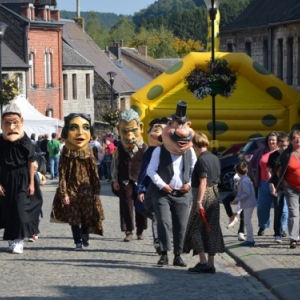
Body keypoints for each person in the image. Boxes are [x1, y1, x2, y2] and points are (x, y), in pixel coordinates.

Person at [147, 101, 197, 267]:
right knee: (164, 223)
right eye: (177, 125)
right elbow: (151, 171)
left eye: (183, 125)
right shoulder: (159, 150)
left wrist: (189, 184)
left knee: (181, 225)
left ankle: (178, 255)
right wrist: (162, 185)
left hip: (183, 193)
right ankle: (163, 253)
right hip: (163, 193)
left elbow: (194, 169)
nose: (181, 130)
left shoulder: (190, 151)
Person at [50, 113, 105, 250]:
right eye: (73, 128)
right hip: (71, 190)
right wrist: (64, 193)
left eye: (85, 127)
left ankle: (85, 236)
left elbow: (94, 173)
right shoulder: (66, 152)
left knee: (86, 216)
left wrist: (96, 191)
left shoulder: (88, 151)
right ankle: (77, 241)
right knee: (74, 218)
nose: (80, 132)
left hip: (86, 190)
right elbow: (62, 173)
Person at [0, 103, 43, 254]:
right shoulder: (1, 141)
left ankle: (19, 240)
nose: (11, 127)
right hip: (5, 177)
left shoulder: (25, 142)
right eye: (7, 123)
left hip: (23, 177)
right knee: (8, 210)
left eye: (14, 123)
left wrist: (32, 182)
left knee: (20, 209)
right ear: (2, 123)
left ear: (21, 122)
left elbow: (30, 162)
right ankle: (12, 240)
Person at [184, 132, 224, 274]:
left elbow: (203, 181)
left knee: (195, 230)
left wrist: (199, 201)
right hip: (214, 194)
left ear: (195, 145)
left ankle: (203, 261)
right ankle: (211, 264)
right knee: (211, 229)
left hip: (204, 195)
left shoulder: (201, 160)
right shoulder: (214, 158)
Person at [111, 109, 148, 242]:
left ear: (141, 127)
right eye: (124, 131)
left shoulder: (145, 148)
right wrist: (115, 179)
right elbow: (115, 164)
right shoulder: (120, 148)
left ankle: (140, 229)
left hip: (140, 181)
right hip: (125, 180)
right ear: (119, 130)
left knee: (141, 206)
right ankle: (128, 230)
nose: (129, 135)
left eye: (133, 130)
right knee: (126, 205)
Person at [136, 117, 170, 254]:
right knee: (156, 216)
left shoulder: (171, 150)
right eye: (155, 129)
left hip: (169, 188)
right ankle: (159, 243)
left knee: (162, 217)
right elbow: (144, 171)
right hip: (152, 188)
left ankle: (163, 241)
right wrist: (141, 189)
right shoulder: (151, 151)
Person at [249, 132, 278, 236]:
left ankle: (280, 229)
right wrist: (254, 175)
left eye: (273, 140)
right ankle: (263, 226)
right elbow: (252, 163)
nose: (271, 142)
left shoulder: (281, 152)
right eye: (269, 140)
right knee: (262, 207)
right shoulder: (261, 152)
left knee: (281, 209)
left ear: (277, 141)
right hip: (263, 182)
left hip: (279, 184)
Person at [275, 130, 300, 249]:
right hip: (291, 189)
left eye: (299, 138)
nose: (298, 140)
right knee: (294, 213)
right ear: (291, 141)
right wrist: (285, 183)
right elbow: (278, 170)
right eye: (295, 138)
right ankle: (294, 238)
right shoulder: (286, 154)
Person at [268, 132, 289, 243]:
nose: (283, 148)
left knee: (290, 211)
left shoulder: (290, 154)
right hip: (278, 186)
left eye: (285, 145)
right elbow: (270, 172)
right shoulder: (273, 156)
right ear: (278, 145)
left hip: (290, 186)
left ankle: (290, 233)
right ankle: (277, 234)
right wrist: (272, 186)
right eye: (281, 145)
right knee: (278, 211)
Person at [230, 161, 257, 246]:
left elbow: (246, 193)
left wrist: (237, 199)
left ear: (237, 172)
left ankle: (250, 239)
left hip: (248, 204)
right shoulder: (245, 179)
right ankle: (250, 238)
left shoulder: (244, 180)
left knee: (247, 221)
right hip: (248, 203)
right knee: (247, 221)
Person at [222, 172, 245, 241]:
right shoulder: (236, 177)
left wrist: (234, 215)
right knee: (225, 200)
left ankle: (241, 232)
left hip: (245, 196)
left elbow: (240, 205)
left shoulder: (245, 180)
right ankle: (231, 217)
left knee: (243, 213)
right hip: (237, 193)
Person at [29, 160, 47, 242]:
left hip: (38, 196)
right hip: (30, 196)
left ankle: (34, 233)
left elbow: (43, 176)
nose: (34, 170)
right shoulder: (28, 174)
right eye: (33, 168)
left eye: (36, 168)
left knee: (36, 215)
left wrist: (44, 181)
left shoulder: (37, 174)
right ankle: (31, 233)